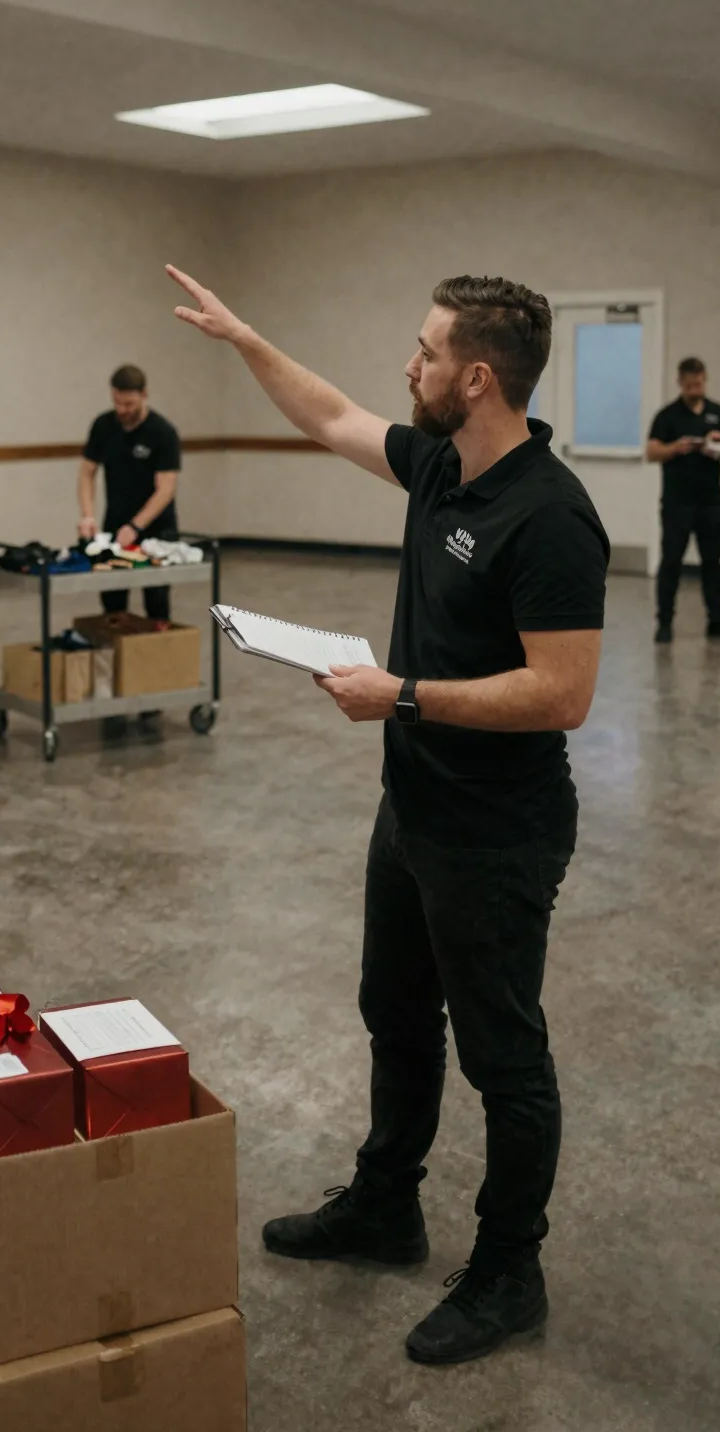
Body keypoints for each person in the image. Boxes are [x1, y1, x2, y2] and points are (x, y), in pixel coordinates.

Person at [168, 264, 607, 1366]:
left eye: (421, 352)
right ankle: (384, 1206)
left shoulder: (548, 516)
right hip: (410, 808)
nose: (402, 367)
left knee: (504, 1057)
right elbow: (325, 414)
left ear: (473, 377)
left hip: (495, 832)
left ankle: (508, 1270)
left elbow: (564, 694)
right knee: (395, 1012)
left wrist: (399, 695)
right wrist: (241, 336)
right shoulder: (440, 467)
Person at [644, 356, 720, 642]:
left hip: (711, 502)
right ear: (680, 383)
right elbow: (652, 453)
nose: (694, 389)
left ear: (705, 380)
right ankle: (664, 622)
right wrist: (676, 447)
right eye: (689, 385)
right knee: (672, 561)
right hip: (678, 503)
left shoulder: (718, 412)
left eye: (698, 384)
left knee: (712, 562)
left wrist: (719, 445)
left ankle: (717, 619)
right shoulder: (667, 416)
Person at [78, 363, 181, 624]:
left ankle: (158, 653)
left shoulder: (163, 433)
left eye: (129, 404)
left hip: (157, 527)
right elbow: (87, 473)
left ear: (144, 395)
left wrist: (136, 526)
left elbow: (166, 489)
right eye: (118, 403)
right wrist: (88, 515)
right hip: (115, 521)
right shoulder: (103, 425)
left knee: (156, 600)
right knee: (112, 599)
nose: (123, 410)